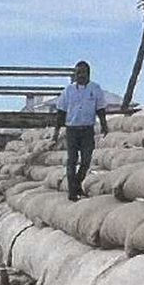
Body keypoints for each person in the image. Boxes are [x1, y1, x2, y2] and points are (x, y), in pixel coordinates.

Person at [51, 61, 108, 201]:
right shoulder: (68, 91)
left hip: (87, 130)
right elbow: (61, 112)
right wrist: (56, 132)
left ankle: (77, 183)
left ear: (88, 74)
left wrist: (104, 125)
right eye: (78, 73)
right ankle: (72, 192)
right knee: (72, 161)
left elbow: (100, 108)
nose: (80, 75)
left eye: (83, 72)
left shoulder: (95, 89)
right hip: (72, 130)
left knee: (86, 160)